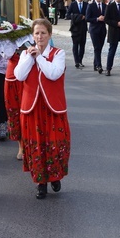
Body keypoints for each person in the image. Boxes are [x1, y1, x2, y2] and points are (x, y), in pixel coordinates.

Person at [14, 18, 71, 200]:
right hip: (32, 107)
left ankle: (54, 176)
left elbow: (53, 74)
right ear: (32, 35)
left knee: (54, 142)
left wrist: (39, 57)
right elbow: (19, 75)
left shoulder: (58, 53)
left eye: (43, 33)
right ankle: (41, 182)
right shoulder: (25, 54)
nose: (39, 37)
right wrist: (30, 58)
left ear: (50, 35)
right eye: (36, 33)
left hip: (52, 107)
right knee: (37, 144)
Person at [4, 50, 23, 160]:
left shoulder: (36, 36)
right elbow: (5, 54)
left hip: (29, 74)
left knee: (28, 112)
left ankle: (30, 144)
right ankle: (20, 145)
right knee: (15, 112)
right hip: (12, 75)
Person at [85, 0, 107, 73]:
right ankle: (99, 65)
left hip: (102, 29)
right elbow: (87, 18)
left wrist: (104, 18)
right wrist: (97, 19)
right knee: (96, 47)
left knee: (99, 48)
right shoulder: (91, 6)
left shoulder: (105, 6)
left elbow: (108, 17)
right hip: (94, 29)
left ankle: (95, 64)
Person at [67, 0, 88, 69]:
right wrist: (78, 17)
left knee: (82, 45)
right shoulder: (73, 4)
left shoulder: (86, 5)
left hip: (83, 27)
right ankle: (76, 61)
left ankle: (80, 60)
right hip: (75, 27)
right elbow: (68, 15)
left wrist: (85, 17)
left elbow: (88, 15)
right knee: (75, 45)